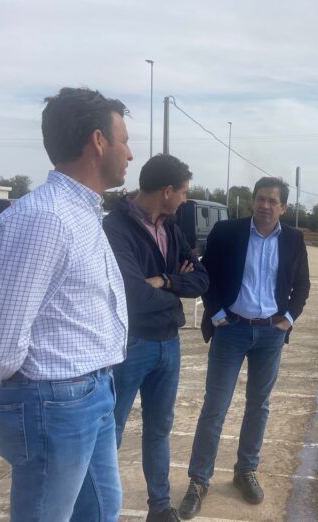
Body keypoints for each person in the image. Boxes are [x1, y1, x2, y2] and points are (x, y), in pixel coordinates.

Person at [0, 87, 132, 521]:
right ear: (98, 142)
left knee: (102, 510)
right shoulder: (44, 218)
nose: (130, 154)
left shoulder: (82, 212)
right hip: (54, 403)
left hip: (91, 392)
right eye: (124, 140)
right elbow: (1, 337)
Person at [178, 177, 310, 519]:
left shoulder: (293, 239)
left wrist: (289, 318)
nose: (265, 205)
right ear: (253, 201)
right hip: (231, 330)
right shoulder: (228, 231)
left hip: (270, 336)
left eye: (272, 201)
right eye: (260, 199)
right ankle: (198, 480)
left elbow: (302, 284)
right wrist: (217, 311)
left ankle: (245, 470)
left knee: (259, 406)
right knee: (215, 407)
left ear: (284, 207)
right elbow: (207, 274)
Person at [103, 154, 209, 522]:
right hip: (130, 345)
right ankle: (99, 511)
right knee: (110, 432)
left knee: (159, 429)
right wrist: (174, 291)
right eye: (182, 193)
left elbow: (201, 280)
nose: (184, 199)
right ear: (166, 191)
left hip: (169, 342)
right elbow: (132, 295)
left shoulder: (172, 227)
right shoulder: (115, 227)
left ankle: (160, 509)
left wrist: (165, 280)